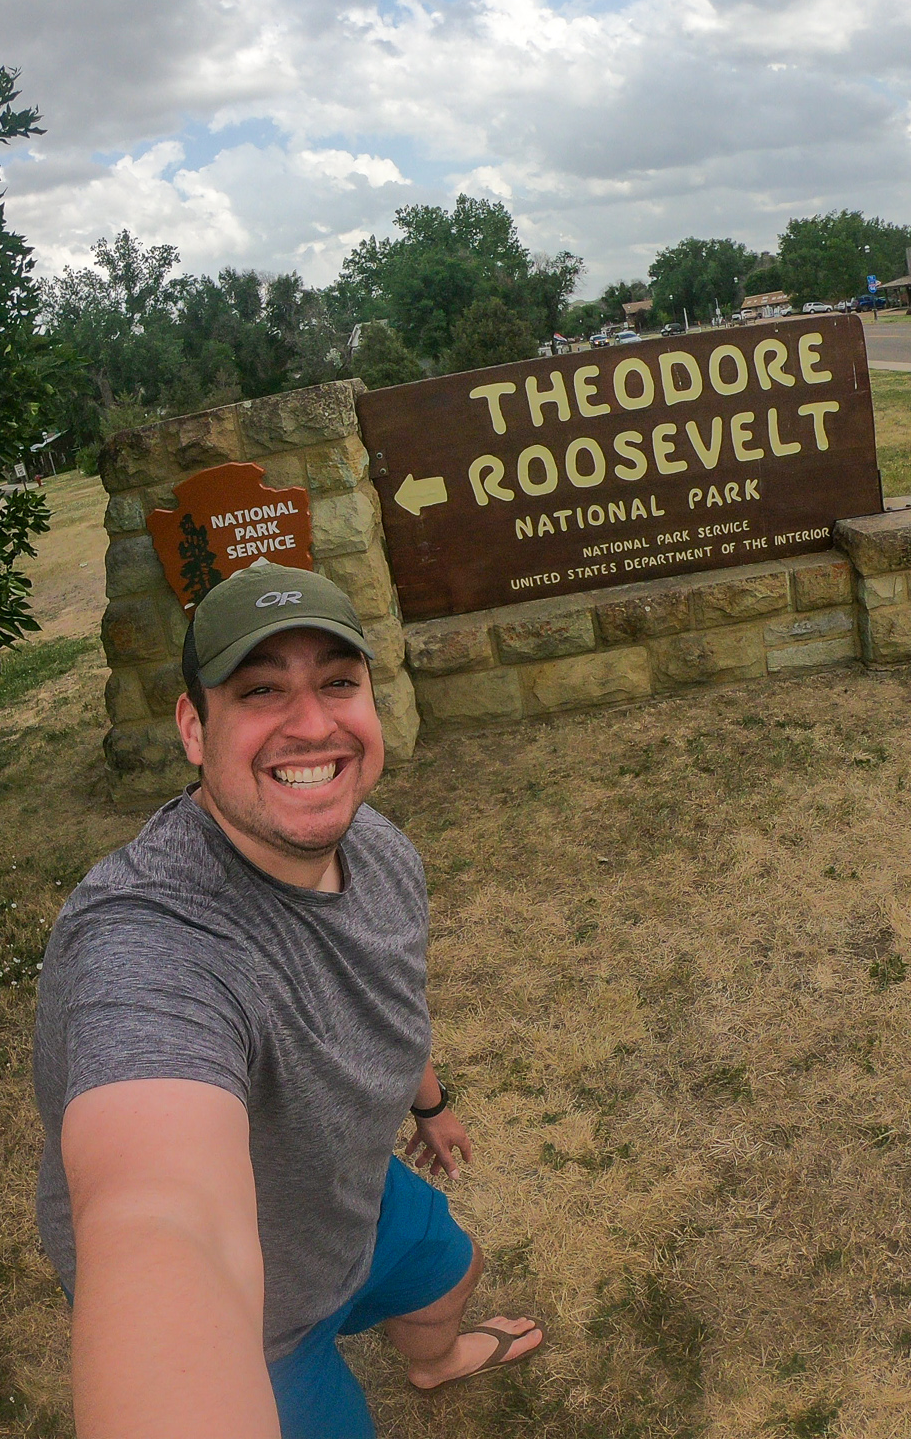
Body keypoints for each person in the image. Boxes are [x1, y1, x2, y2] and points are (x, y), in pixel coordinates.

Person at [34, 560, 542, 1438]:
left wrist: (432, 1102)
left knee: (452, 1271)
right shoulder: (147, 943)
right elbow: (160, 1216)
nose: (313, 725)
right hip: (259, 1323)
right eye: (262, 691)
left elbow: (385, 992)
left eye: (338, 682)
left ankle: (434, 1363)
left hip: (348, 1196)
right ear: (194, 727)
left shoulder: (378, 846)